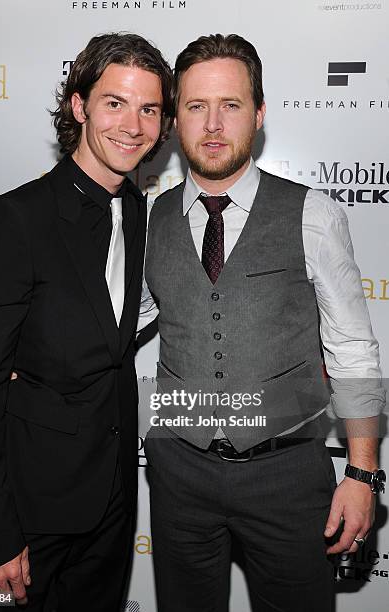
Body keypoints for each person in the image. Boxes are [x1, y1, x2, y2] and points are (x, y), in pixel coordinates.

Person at [143, 34, 385, 612]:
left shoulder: (313, 214)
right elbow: (124, 321)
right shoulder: (148, 216)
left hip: (289, 476)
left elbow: (353, 347)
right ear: (176, 119)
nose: (213, 124)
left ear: (260, 113)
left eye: (231, 105)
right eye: (196, 106)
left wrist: (362, 473)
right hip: (178, 474)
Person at [0, 32, 173, 611]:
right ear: (79, 106)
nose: (133, 125)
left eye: (149, 108)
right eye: (115, 103)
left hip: (115, 503)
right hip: (30, 514)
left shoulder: (144, 215)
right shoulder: (15, 219)